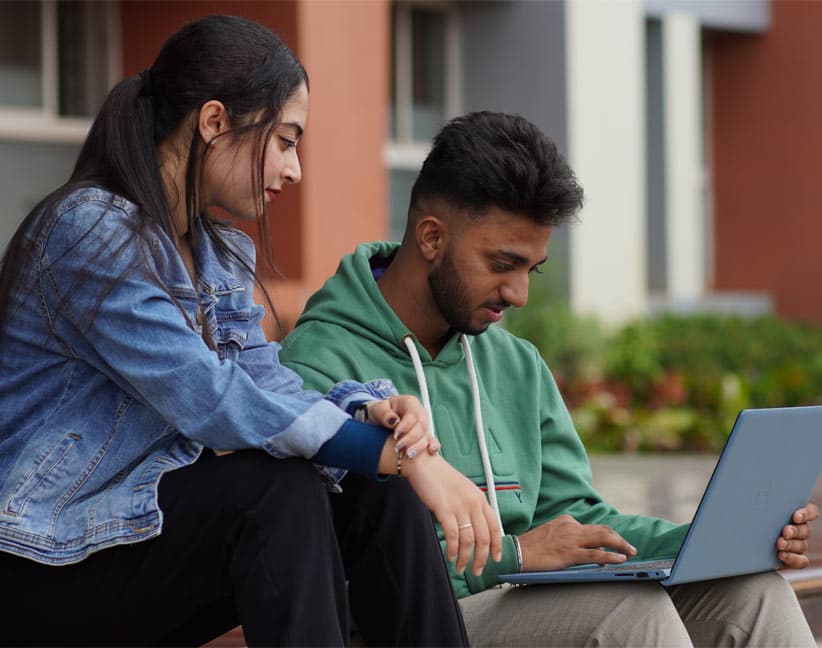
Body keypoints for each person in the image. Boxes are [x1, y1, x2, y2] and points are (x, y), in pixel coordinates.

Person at [0, 17, 502, 647]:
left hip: (130, 541)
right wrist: (398, 456)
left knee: (379, 493)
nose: (294, 170)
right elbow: (211, 396)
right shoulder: (89, 231)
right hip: (41, 560)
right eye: (286, 140)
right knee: (275, 493)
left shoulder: (217, 255)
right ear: (214, 123)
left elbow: (264, 381)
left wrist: (365, 414)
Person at [280, 110, 819, 646]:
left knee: (751, 593)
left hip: (518, 604)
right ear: (430, 237)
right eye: (502, 264)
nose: (519, 294)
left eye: (530, 270)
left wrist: (708, 544)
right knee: (623, 616)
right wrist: (514, 557)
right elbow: (328, 574)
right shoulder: (319, 362)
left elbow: (578, 520)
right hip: (403, 626)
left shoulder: (515, 364)